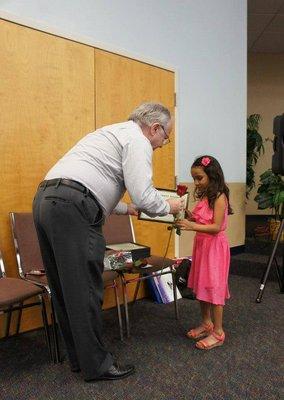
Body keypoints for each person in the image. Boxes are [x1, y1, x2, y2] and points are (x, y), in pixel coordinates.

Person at [33, 102, 184, 381]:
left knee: (65, 288)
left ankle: (81, 360)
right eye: (166, 137)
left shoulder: (112, 133)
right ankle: (98, 365)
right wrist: (171, 206)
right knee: (85, 289)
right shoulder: (138, 140)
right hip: (73, 208)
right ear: (155, 128)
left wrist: (127, 209)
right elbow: (144, 196)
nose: (163, 144)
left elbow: (93, 185)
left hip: (47, 201)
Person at [176, 155, 233, 350]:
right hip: (202, 245)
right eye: (194, 178)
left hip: (215, 248)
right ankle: (206, 322)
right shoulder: (205, 196)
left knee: (214, 287)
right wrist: (187, 215)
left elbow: (216, 227)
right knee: (202, 285)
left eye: (199, 178)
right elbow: (202, 220)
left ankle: (218, 332)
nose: (195, 182)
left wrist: (191, 225)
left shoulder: (220, 197)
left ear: (212, 175)